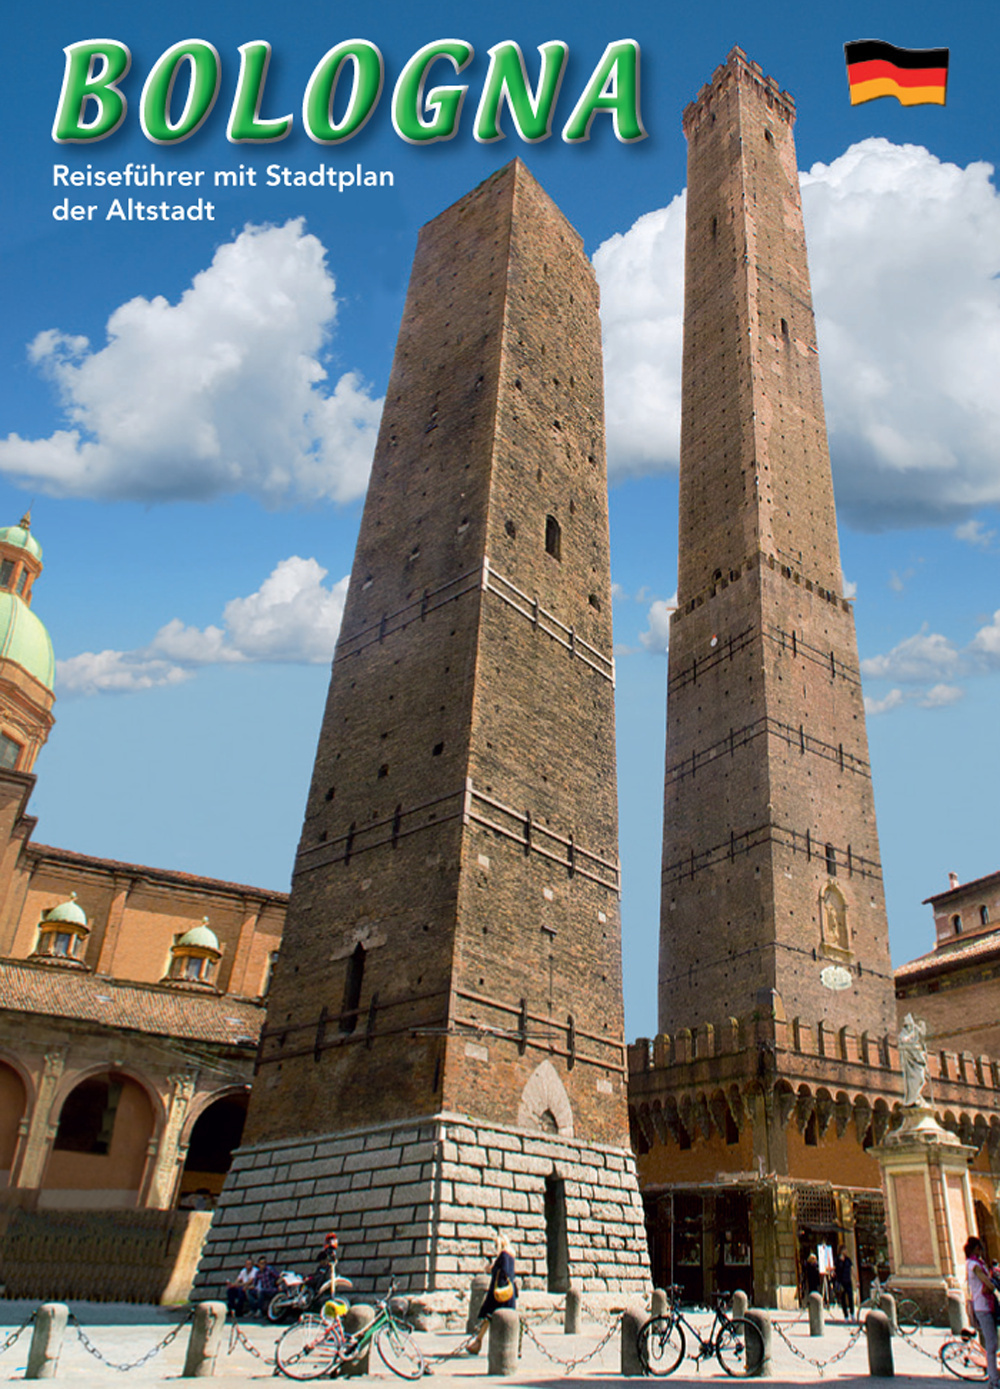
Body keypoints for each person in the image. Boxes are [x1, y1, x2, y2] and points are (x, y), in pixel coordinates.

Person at [467, 1233, 517, 1354]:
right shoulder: (512, 1255)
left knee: (488, 1317)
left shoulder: (504, 1254)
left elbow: (504, 1271)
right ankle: (516, 1348)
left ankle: (477, 1343)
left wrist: (493, 1268)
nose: (496, 1247)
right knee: (510, 1318)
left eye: (496, 1245)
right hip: (508, 1292)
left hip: (499, 1293)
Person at [966, 1236, 1000, 1389]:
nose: (982, 1251)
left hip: (989, 1306)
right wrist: (990, 1284)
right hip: (982, 1307)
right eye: (980, 1248)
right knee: (992, 1345)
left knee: (993, 1343)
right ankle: (993, 1380)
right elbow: (989, 1285)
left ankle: (994, 1377)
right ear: (976, 1249)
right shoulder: (973, 1265)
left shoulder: (979, 1264)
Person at [834, 1247, 854, 1320]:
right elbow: (835, 1270)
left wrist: (856, 1279)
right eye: (845, 1250)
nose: (846, 1251)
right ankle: (846, 1315)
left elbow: (852, 1270)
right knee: (843, 1299)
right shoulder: (837, 1260)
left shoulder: (848, 1260)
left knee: (850, 1297)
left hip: (848, 1281)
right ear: (841, 1251)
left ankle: (852, 1313)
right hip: (841, 1282)